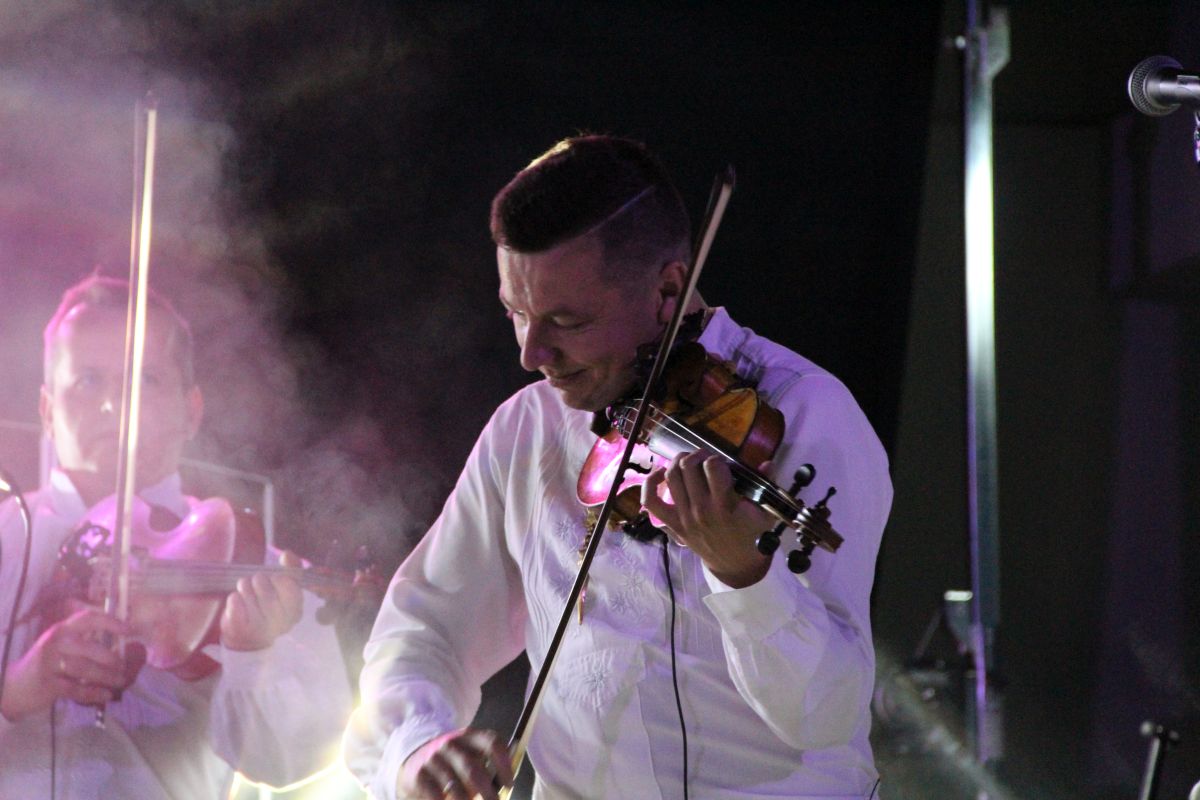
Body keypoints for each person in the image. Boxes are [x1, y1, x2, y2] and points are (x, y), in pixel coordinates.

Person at [344, 135, 892, 799]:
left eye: (566, 321)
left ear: (668, 289)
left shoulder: (805, 415)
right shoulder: (528, 429)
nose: (531, 353)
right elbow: (424, 631)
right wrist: (416, 746)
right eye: (516, 313)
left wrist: (746, 577)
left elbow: (826, 717)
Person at [0, 275, 355, 799]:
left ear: (191, 411)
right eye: (88, 380)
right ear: (47, 411)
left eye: (144, 380)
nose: (114, 404)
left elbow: (301, 760)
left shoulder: (252, 568)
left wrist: (252, 655)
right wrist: (13, 693)